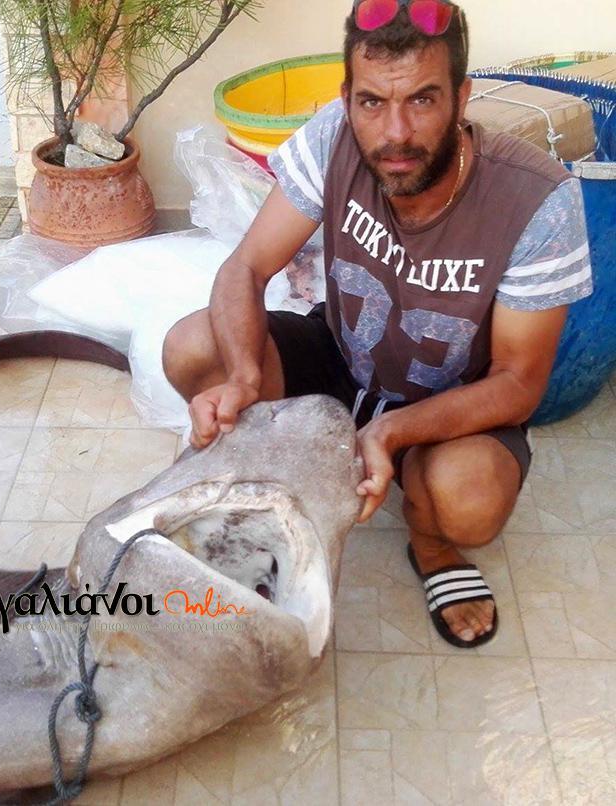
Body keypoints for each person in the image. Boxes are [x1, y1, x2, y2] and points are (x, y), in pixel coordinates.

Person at [161, 0, 593, 648]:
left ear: (461, 98)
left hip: (450, 400)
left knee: (469, 500)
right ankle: (278, 503)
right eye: (372, 102)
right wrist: (246, 379)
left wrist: (390, 433)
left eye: (422, 100)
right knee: (194, 348)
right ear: (347, 99)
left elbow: (517, 383)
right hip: (342, 356)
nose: (396, 133)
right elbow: (246, 266)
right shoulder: (334, 136)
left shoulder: (537, 200)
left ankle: (432, 547)